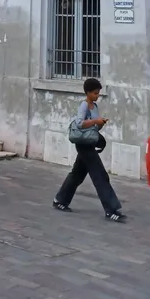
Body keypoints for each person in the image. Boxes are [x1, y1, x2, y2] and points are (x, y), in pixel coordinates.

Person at [53, 77, 127, 221]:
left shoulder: (95, 106)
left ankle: (60, 200)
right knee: (100, 175)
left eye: (98, 93)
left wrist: (100, 124)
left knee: (77, 174)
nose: (97, 96)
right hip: (83, 144)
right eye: (94, 93)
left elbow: (94, 127)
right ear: (87, 93)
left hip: (90, 142)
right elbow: (80, 124)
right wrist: (94, 121)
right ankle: (111, 210)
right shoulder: (84, 105)